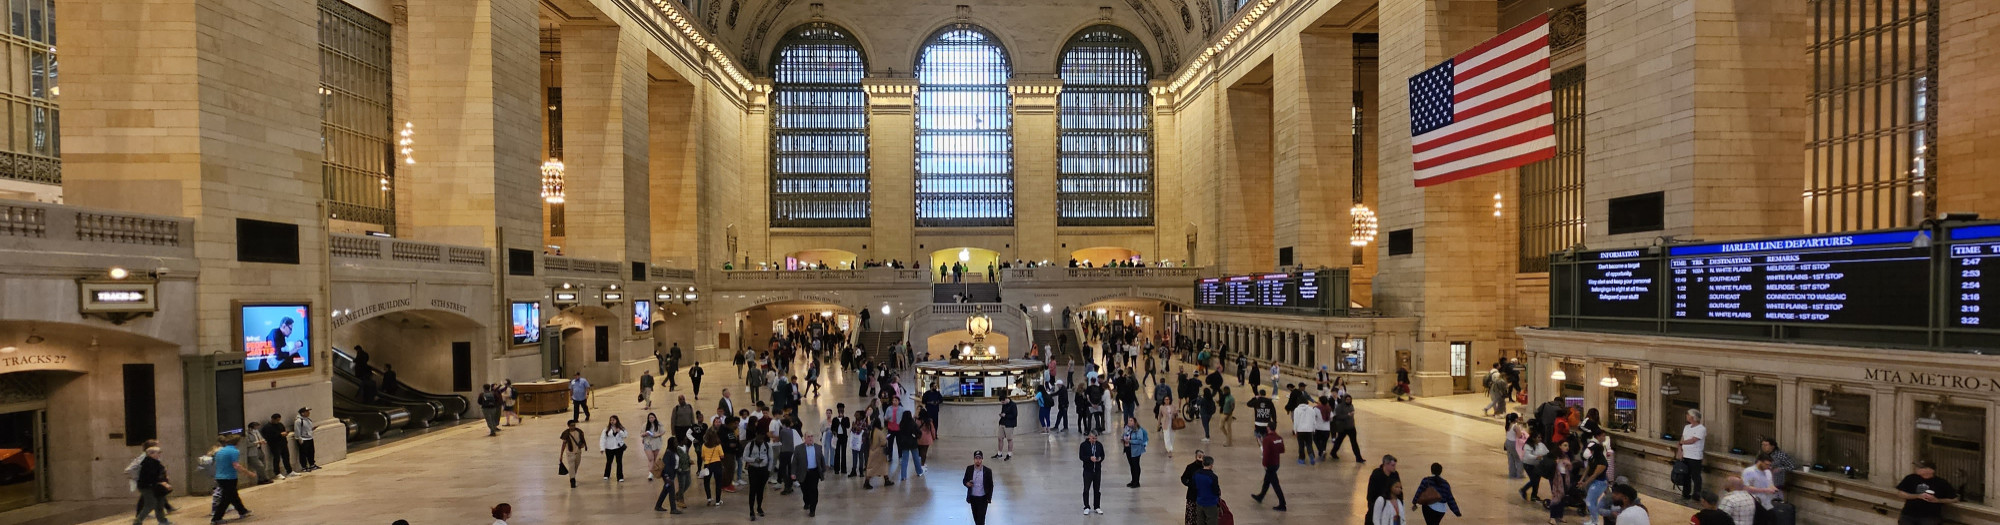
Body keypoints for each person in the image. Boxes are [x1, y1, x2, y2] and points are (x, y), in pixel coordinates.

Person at [209, 434, 254, 523]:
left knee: (233, 495)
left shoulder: (220, 451)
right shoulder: (234, 451)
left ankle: (243, 511)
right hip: (229, 477)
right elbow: (236, 465)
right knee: (226, 498)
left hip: (219, 477)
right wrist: (248, 473)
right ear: (237, 442)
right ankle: (216, 518)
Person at [1897, 460, 1958, 525]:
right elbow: (1900, 493)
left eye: (1921, 467)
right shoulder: (1910, 478)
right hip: (1908, 515)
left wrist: (1937, 500)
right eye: (1917, 467)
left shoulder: (1941, 483)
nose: (1917, 468)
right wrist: (1917, 496)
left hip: (1930, 517)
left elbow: (1954, 499)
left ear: (1931, 470)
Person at [1252, 424, 1289, 511]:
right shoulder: (1279, 438)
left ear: (1268, 428)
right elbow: (1282, 450)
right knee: (1267, 481)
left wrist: (1264, 464)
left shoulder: (1267, 439)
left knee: (1275, 485)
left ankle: (1282, 504)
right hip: (1276, 463)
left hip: (1270, 464)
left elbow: (1266, 454)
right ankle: (1261, 496)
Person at [132, 446, 170, 525]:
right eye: (158, 453)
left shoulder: (155, 462)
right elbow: (151, 476)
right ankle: (137, 521)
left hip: (154, 486)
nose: (160, 454)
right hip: (147, 487)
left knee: (160, 502)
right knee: (150, 504)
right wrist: (162, 482)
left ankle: (162, 521)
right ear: (151, 454)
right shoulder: (148, 463)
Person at [741, 430, 772, 521]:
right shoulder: (749, 445)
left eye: (762, 438)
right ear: (756, 436)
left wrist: (768, 470)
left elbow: (771, 458)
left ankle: (759, 507)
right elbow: (744, 457)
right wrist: (754, 460)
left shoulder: (767, 445)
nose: (760, 439)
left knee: (761, 490)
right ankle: (751, 510)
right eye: (759, 437)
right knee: (753, 490)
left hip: (763, 470)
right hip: (753, 469)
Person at [794, 433, 827, 517]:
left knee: (813, 490)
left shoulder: (818, 447)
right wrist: (793, 473)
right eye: (808, 436)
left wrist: (823, 470)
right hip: (803, 472)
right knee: (805, 490)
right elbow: (795, 462)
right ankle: (807, 502)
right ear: (804, 438)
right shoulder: (798, 448)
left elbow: (821, 459)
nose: (810, 438)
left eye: (812, 436)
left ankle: (812, 510)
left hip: (814, 472)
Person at [1679, 409, 1708, 501]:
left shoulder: (1701, 429)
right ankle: (1685, 493)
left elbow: (1693, 440)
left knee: (1696, 476)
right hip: (1685, 455)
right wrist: (1680, 449)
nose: (1686, 416)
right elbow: (1682, 439)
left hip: (1695, 456)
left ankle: (1696, 495)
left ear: (1693, 417)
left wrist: (1682, 443)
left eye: (1688, 415)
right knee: (1685, 475)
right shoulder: (1687, 427)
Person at [1365, 455, 1402, 525]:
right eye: (1392, 465)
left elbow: (1399, 490)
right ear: (1385, 464)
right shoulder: (1376, 474)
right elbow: (1371, 493)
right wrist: (1372, 507)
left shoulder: (1395, 474)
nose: (1394, 467)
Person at [1743, 453, 1780, 521]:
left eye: (1770, 465)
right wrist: (1765, 490)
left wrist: (1774, 489)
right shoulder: (1749, 471)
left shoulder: (1768, 472)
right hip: (1754, 503)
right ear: (1760, 462)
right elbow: (1746, 488)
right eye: (1766, 464)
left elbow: (1770, 484)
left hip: (1767, 503)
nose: (1768, 467)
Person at [964, 451, 996, 525]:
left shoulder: (987, 471)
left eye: (979, 458)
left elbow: (991, 485)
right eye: (976, 458)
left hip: (983, 499)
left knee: (981, 520)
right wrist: (967, 483)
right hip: (973, 498)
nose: (978, 460)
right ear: (974, 459)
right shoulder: (969, 469)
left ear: (982, 459)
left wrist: (989, 498)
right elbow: (964, 480)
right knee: (976, 518)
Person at [1079, 432, 1106, 515]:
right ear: (1089, 437)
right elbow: (1081, 456)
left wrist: (1099, 459)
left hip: (1097, 470)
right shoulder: (1084, 445)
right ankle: (1086, 506)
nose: (1094, 440)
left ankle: (1097, 506)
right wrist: (1089, 458)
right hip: (1088, 470)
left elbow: (1103, 455)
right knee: (1086, 488)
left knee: (1097, 489)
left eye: (1096, 438)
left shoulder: (1099, 445)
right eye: (1093, 438)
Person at [260, 413, 294, 479]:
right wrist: (280, 434)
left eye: (279, 420)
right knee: (277, 459)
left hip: (283, 443)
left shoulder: (280, 425)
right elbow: (268, 437)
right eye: (277, 420)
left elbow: (283, 431)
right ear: (273, 419)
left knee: (286, 457)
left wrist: (285, 433)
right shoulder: (267, 427)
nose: (278, 422)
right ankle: (277, 473)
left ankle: (289, 471)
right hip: (275, 445)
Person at [1519, 433, 1549, 503]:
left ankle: (1534, 495)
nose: (1540, 439)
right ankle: (1523, 489)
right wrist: (1536, 457)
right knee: (1534, 480)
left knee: (1537, 480)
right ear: (1533, 438)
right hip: (1528, 465)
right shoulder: (1527, 446)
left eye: (1540, 437)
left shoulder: (1541, 445)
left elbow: (1547, 452)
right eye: (1538, 437)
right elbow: (1527, 455)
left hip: (1537, 465)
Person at [700, 429, 728, 505]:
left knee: (706, 482)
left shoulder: (704, 445)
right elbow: (722, 456)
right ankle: (718, 501)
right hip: (717, 464)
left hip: (707, 465)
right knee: (718, 483)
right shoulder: (718, 445)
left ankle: (709, 498)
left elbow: (702, 457)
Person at [1331, 393, 1362, 461]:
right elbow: (1338, 416)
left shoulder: (1351, 405)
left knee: (1354, 443)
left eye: (1349, 400)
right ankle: (1333, 452)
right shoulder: (1339, 407)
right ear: (1344, 400)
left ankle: (1358, 457)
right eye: (1347, 399)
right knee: (1339, 441)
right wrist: (1347, 415)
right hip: (1343, 428)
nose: (1348, 401)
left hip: (1351, 427)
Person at [1192, 457, 1222, 525]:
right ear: (1211, 465)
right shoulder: (1213, 476)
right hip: (1210, 503)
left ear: (1203, 463)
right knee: (1212, 521)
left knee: (1200, 522)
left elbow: (1193, 486)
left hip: (1199, 502)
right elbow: (1215, 491)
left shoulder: (1196, 473)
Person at [1121, 416, 1149, 487]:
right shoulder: (1127, 429)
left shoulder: (1138, 430)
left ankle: (1137, 481)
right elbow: (1124, 435)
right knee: (1131, 465)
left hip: (1136, 450)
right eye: (1128, 420)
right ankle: (1133, 480)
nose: (1129, 422)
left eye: (1131, 420)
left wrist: (1130, 441)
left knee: (1135, 465)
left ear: (1134, 422)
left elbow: (1140, 440)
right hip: (1128, 449)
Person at [1290, 397, 1319, 465]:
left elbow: (1295, 421)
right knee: (1309, 444)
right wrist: (1313, 429)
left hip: (1300, 430)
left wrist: (1295, 430)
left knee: (1301, 445)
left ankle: (1301, 459)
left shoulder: (1297, 410)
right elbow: (1313, 421)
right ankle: (1311, 455)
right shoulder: (1311, 409)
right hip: (1309, 430)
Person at [601, 415, 628, 481]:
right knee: (609, 461)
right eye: (611, 420)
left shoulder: (621, 428)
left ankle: (620, 477)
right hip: (609, 448)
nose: (612, 421)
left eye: (613, 420)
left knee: (619, 462)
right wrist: (602, 448)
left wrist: (620, 431)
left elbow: (625, 435)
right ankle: (606, 474)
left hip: (618, 448)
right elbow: (603, 438)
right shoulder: (606, 429)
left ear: (616, 420)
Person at [560, 419, 586, 488]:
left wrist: (583, 445)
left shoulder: (579, 432)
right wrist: (561, 455)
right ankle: (572, 480)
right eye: (571, 425)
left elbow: (583, 440)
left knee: (576, 467)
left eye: (574, 425)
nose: (573, 427)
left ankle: (573, 476)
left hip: (578, 452)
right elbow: (563, 444)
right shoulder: (566, 434)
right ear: (568, 426)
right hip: (570, 453)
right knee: (571, 467)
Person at [642, 413, 666, 481]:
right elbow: (641, 433)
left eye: (652, 417)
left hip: (656, 443)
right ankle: (650, 473)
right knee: (650, 458)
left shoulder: (659, 424)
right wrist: (645, 434)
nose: (651, 419)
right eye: (650, 418)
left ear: (655, 418)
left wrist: (657, 435)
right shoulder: (645, 425)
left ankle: (652, 471)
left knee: (654, 458)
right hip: (647, 443)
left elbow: (663, 431)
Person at [997, 394, 1018, 460]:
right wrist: (1002, 415)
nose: (1002, 403)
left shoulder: (1013, 405)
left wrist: (1005, 415)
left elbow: (1014, 415)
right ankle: (999, 453)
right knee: (1000, 438)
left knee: (1009, 439)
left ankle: (1009, 454)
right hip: (1002, 423)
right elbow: (1003, 412)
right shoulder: (1004, 405)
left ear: (1006, 399)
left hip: (1009, 424)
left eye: (1003, 402)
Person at [1505, 413, 1525, 479]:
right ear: (1516, 419)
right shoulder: (1515, 426)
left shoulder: (1508, 425)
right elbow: (1519, 436)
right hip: (1514, 443)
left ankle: (1512, 473)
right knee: (1519, 459)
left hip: (1507, 442)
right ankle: (1520, 474)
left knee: (1511, 459)